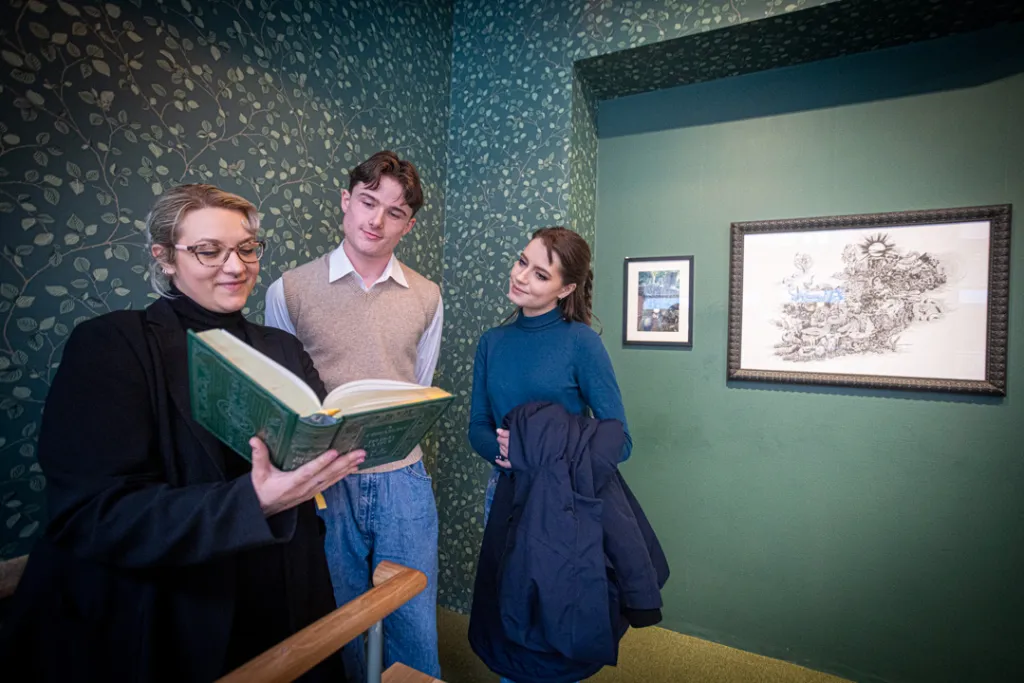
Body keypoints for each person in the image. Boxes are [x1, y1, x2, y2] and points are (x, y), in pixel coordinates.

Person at [0, 185, 366, 682]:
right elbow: (90, 514)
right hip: (175, 613)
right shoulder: (112, 344)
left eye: (246, 248)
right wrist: (253, 502)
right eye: (208, 251)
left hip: (286, 593)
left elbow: (313, 440)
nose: (235, 267)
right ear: (165, 258)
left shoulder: (283, 349)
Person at [264, 151, 443, 681]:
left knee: (412, 620)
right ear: (346, 202)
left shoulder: (428, 296)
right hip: (322, 482)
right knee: (335, 619)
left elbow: (418, 386)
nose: (375, 220)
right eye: (367, 202)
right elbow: (286, 395)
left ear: (407, 225)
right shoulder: (289, 289)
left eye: (393, 212)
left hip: (402, 478)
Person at [468, 226, 633, 683]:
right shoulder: (492, 343)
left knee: (554, 629)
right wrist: (503, 453)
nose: (521, 276)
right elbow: (477, 428)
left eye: (540, 274)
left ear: (566, 289)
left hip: (564, 506)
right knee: (511, 621)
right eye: (522, 261)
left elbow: (620, 438)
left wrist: (546, 446)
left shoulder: (582, 343)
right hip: (505, 497)